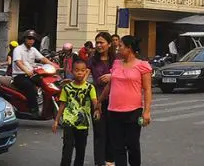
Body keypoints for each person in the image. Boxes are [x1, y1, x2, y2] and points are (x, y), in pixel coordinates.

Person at [98, 35, 152, 166]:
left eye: (121, 46)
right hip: (113, 111)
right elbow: (110, 85)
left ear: (129, 48)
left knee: (132, 145)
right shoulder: (116, 63)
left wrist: (146, 112)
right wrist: (99, 101)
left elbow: (147, 90)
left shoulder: (142, 65)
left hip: (133, 111)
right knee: (117, 146)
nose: (118, 48)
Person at [53, 60, 100, 166]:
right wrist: (56, 120)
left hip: (83, 123)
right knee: (67, 147)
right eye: (77, 70)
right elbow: (62, 104)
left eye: (82, 70)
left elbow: (95, 102)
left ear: (86, 72)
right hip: (68, 122)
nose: (80, 73)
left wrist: (97, 110)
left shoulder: (89, 87)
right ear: (72, 71)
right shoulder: (67, 88)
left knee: (81, 149)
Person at [12, 29, 55, 115]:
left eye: (33, 39)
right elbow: (18, 62)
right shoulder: (18, 49)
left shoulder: (33, 50)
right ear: (25, 39)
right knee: (30, 86)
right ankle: (34, 109)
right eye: (29, 38)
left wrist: (54, 65)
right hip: (19, 75)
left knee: (46, 83)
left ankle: (45, 105)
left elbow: (42, 59)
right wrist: (26, 71)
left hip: (31, 75)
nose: (31, 40)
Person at [89, 32, 116, 166]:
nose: (99, 45)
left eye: (101, 42)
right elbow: (84, 75)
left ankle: (109, 160)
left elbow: (125, 74)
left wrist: (112, 76)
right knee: (99, 132)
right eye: (97, 42)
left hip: (114, 100)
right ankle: (99, 162)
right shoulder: (92, 60)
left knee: (112, 131)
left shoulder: (116, 60)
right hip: (97, 99)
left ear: (109, 44)